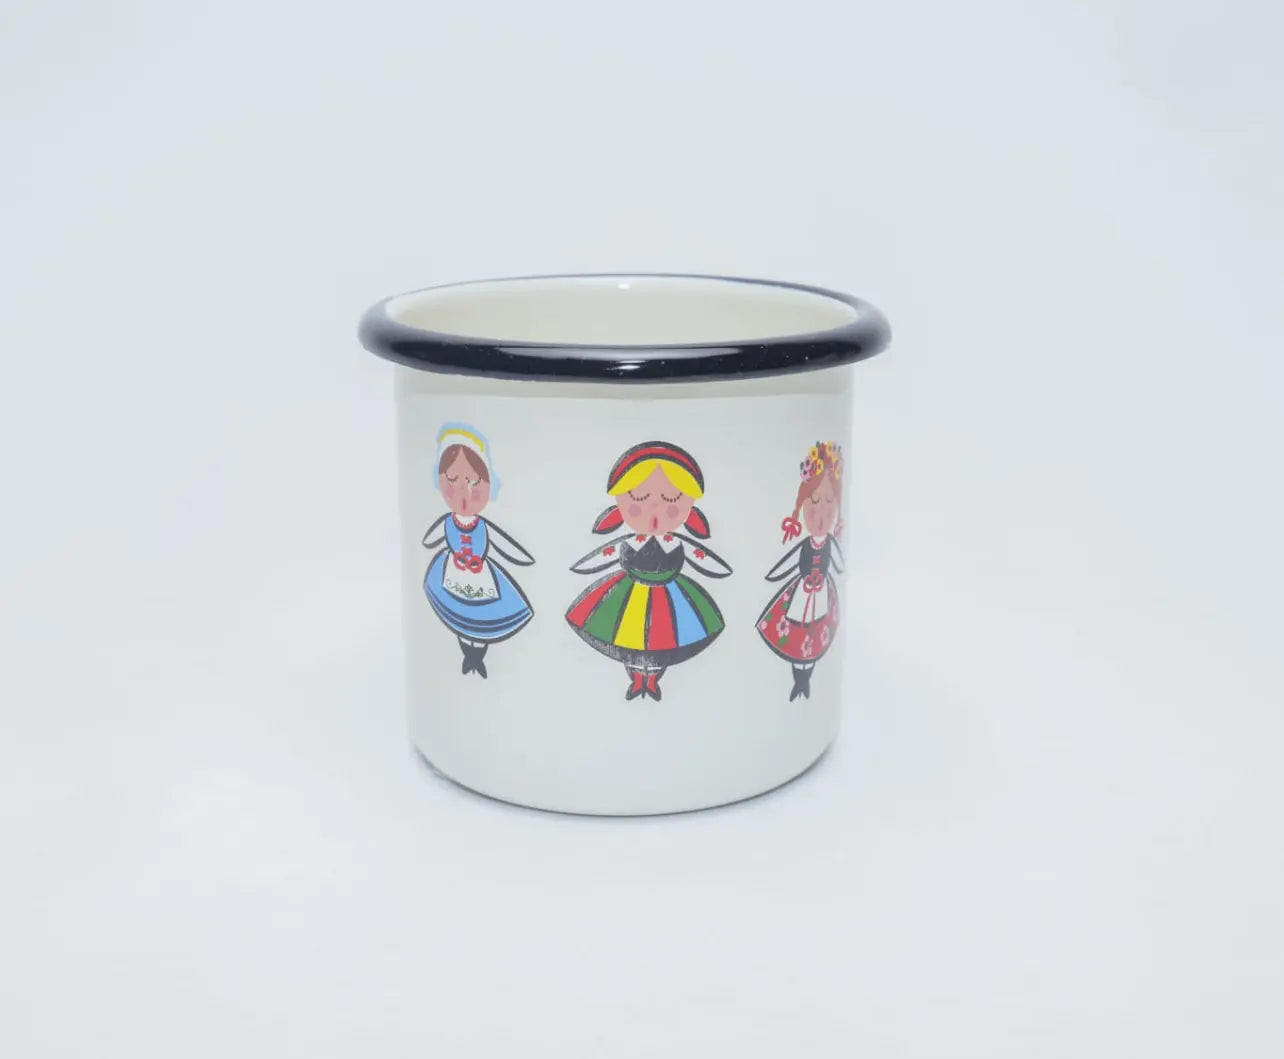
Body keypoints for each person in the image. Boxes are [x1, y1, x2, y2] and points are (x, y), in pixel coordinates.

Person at [567, 441, 731, 701]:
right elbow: (601, 557)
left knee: (665, 639)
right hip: (628, 598)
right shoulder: (630, 542)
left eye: (671, 499)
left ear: (690, 507)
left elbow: (704, 560)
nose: (655, 508)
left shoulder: (677, 543)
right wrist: (581, 566)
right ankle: (637, 680)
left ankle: (651, 680)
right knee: (627, 636)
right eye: (639, 498)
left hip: (671, 601)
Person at [422, 423, 534, 678]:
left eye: (474, 482)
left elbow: (506, 546)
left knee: (482, 620)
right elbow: (432, 537)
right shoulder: (448, 522)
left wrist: (524, 559)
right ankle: (469, 657)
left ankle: (476, 658)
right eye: (452, 480)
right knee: (458, 617)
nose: (464, 491)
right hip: (452, 573)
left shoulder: (482, 526)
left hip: (481, 577)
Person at [757, 441, 845, 701]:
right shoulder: (805, 544)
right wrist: (771, 576)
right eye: (814, 502)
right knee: (797, 634)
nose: (821, 514)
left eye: (829, 503)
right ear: (802, 506)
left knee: (816, 635)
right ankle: (799, 679)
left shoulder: (830, 542)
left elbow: (838, 563)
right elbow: (786, 565)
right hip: (803, 594)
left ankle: (805, 681)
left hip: (821, 593)